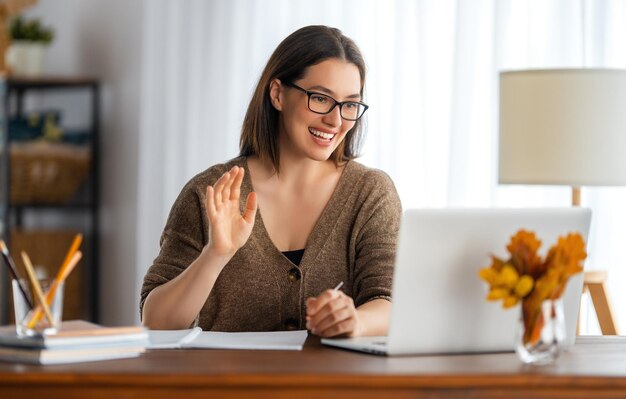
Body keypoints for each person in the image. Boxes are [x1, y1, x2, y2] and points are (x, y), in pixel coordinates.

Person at [140, 25, 401, 338]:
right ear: (277, 94)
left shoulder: (370, 193)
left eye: (349, 105)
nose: (335, 120)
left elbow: (390, 301)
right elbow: (155, 321)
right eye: (320, 98)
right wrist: (215, 255)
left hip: (332, 387)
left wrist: (355, 321)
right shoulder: (210, 192)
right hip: (228, 386)